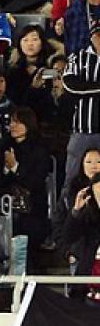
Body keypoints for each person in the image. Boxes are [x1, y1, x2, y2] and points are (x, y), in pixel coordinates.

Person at [0, 106, 51, 265]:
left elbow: (35, 182)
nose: (13, 126)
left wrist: (15, 167)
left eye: (18, 122)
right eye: (11, 122)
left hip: (32, 209)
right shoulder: (2, 147)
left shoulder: (39, 149)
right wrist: (6, 169)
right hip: (4, 205)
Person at [63, 20, 100, 183]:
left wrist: (86, 87)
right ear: (91, 36)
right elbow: (70, 85)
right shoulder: (78, 57)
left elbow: (79, 87)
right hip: (81, 129)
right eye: (98, 35)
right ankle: (70, 201)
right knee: (71, 178)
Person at [62, 171, 100, 300]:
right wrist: (76, 210)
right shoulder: (86, 216)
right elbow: (68, 237)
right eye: (98, 191)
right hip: (87, 283)